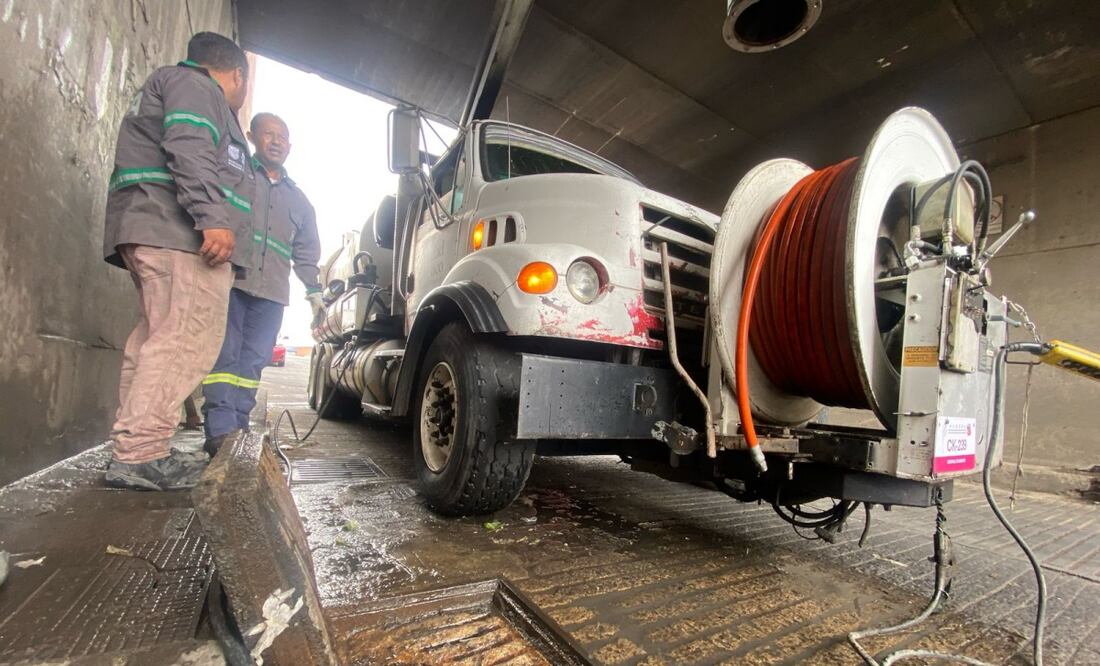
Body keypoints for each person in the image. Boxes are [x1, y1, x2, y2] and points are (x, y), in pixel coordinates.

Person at [102, 32, 255, 491]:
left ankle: (132, 448)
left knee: (156, 340)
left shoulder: (172, 85)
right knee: (184, 339)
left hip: (155, 228)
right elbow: (189, 149)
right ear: (236, 76)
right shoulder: (197, 89)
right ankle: (141, 453)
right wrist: (212, 217)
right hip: (176, 234)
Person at [201, 112, 323, 454]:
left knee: (252, 361)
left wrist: (314, 292)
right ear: (252, 137)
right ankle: (219, 431)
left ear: (290, 146)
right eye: (268, 134)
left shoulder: (299, 201)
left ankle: (237, 426)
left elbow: (306, 251)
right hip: (231, 282)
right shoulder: (236, 177)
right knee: (224, 358)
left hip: (271, 293)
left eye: (282, 137)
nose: (276, 141)